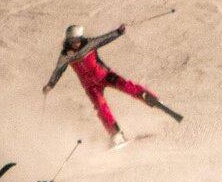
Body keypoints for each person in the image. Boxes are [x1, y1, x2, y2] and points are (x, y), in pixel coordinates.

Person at [42, 24, 170, 147]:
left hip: (105, 76)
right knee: (101, 107)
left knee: (126, 86)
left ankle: (149, 97)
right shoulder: (65, 56)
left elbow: (104, 39)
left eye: (76, 40)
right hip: (90, 86)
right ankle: (116, 134)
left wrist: (118, 32)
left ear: (81, 38)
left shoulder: (90, 44)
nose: (74, 43)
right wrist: (50, 84)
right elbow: (58, 71)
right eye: (71, 41)